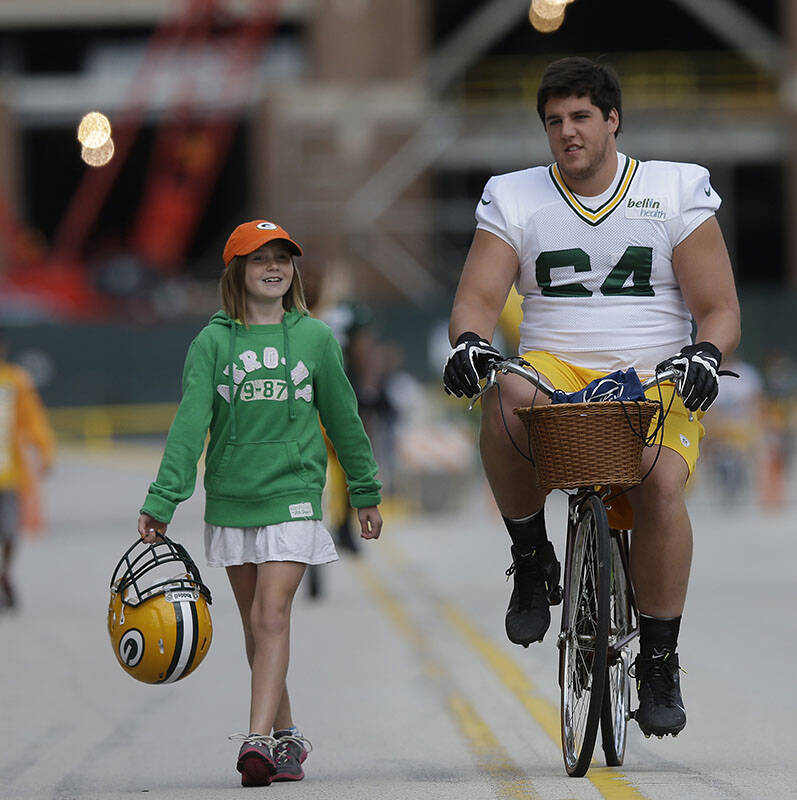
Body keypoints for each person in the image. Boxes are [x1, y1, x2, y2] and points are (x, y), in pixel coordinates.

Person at [442, 57, 740, 739]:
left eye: (580, 117)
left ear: (612, 120)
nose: (567, 132)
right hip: (557, 365)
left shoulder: (673, 188)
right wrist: (467, 341)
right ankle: (531, 557)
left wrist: (708, 355)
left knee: (661, 488)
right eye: (554, 121)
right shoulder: (513, 196)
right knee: (505, 392)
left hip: (655, 370)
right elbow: (480, 297)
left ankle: (659, 663)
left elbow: (719, 306)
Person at [136, 220, 383, 786]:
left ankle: (257, 741)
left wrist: (364, 490)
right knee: (255, 625)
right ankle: (288, 735)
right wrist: (163, 498)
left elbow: (344, 420)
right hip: (232, 500)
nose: (273, 267)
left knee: (272, 614)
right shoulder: (212, 343)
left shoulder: (316, 339)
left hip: (294, 496)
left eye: (283, 258)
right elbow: (188, 427)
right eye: (258, 259)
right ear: (236, 272)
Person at [0, 329, 55, 611]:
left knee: (9, 532)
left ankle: (5, 574)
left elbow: (34, 418)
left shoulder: (16, 381)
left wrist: (45, 451)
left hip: (8, 476)